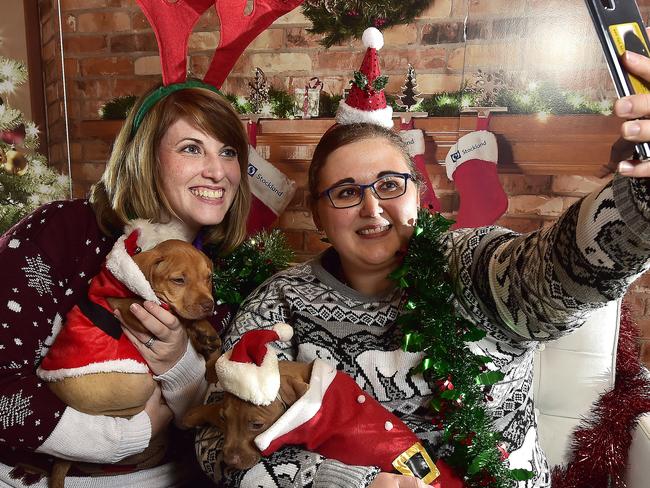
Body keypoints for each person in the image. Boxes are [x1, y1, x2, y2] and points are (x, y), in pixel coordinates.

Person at [195, 51, 650, 488]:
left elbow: (558, 272)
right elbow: (218, 442)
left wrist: (640, 202)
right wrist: (349, 483)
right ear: (318, 215)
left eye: (390, 185)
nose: (372, 208)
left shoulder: (471, 264)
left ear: (416, 194)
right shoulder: (279, 305)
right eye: (346, 192)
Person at [0, 80, 251, 487]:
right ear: (144, 156)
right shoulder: (62, 232)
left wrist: (177, 365)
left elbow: (223, 416)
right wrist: (120, 439)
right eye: (191, 148)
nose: (218, 170)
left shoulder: (231, 269)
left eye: (229, 152)